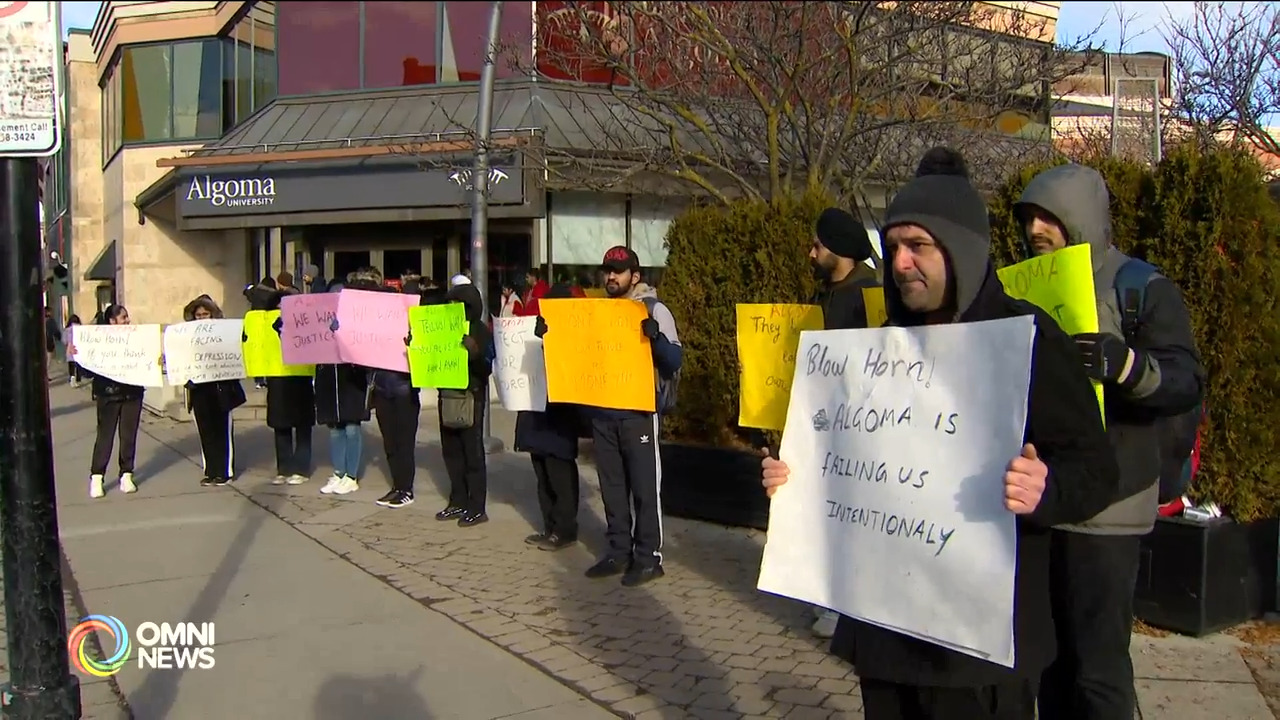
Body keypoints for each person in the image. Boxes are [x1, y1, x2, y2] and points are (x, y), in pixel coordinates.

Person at [761, 154, 1123, 719]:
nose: (900, 262)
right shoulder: (875, 352)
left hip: (978, 646)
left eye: (918, 246)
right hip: (883, 632)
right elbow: (845, 465)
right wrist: (795, 478)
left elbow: (1097, 470)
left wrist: (1045, 490)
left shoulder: (1027, 340)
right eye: (894, 245)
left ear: (960, 249)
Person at [1014, 163, 1205, 720]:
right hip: (1044, 502)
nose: (1035, 230)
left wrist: (1125, 367)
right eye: (1028, 219)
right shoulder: (1024, 285)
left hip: (1111, 508)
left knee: (1099, 669)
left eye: (1048, 217)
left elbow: (1185, 379)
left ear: (1081, 218)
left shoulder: (1141, 286)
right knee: (1047, 665)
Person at [543, 246, 681, 587]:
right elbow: (577, 355)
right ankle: (619, 551)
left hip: (638, 413)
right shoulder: (597, 312)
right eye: (607, 270)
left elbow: (675, 361)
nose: (611, 277)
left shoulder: (654, 309)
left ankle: (649, 557)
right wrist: (550, 336)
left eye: (618, 271)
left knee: (645, 488)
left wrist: (657, 340)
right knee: (612, 487)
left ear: (635, 276)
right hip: (603, 412)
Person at [807, 205, 882, 638]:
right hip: (826, 427)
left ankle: (850, 609)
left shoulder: (868, 296)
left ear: (839, 250)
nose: (811, 253)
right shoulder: (827, 295)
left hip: (860, 431)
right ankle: (830, 598)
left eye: (817, 245)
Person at [516, 282, 583, 550]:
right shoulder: (539, 328)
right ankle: (549, 526)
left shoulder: (575, 333)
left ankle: (565, 529)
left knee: (560, 474)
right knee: (542, 473)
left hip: (560, 415)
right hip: (537, 410)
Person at [357, 267, 421, 509]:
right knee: (390, 443)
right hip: (382, 390)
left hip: (404, 389)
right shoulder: (373, 328)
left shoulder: (411, 323)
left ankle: (406, 489)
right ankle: (397, 486)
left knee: (404, 443)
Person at [433, 281, 495, 527]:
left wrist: (476, 352)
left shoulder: (480, 330)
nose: (451, 308)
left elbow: (487, 367)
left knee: (472, 454)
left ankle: (477, 507)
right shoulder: (443, 328)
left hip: (471, 396)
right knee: (451, 453)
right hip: (446, 394)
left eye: (456, 303)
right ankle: (457, 501)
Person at [80, 305, 144, 498]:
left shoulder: (137, 339)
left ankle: (126, 473)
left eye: (127, 317)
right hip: (108, 394)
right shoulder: (100, 341)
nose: (127, 320)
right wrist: (76, 355)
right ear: (112, 321)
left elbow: (144, 360)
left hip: (132, 393)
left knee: (128, 436)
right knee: (105, 436)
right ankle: (97, 476)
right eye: (123, 317)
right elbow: (87, 371)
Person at [183, 296, 247, 487]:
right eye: (199, 315)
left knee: (221, 431)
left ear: (213, 314)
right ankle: (211, 470)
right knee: (205, 431)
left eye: (206, 314)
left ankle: (224, 471)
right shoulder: (188, 335)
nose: (202, 318)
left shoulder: (224, 332)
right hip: (199, 389)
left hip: (221, 389)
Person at [314, 279, 369, 496]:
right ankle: (338, 472)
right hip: (329, 378)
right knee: (335, 430)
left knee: (352, 428)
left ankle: (351, 476)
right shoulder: (320, 320)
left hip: (351, 380)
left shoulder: (358, 321)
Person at [267, 285, 316, 485]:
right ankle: (284, 468)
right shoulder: (268, 324)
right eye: (279, 306)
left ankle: (301, 469)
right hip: (277, 379)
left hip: (300, 378)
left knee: (303, 426)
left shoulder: (305, 324)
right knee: (281, 425)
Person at [66, 314, 83, 386]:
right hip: (78, 349)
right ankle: (78, 378)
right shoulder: (80, 329)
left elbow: (65, 340)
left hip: (70, 349)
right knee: (78, 365)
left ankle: (72, 378)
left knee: (71, 366)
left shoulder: (67, 329)